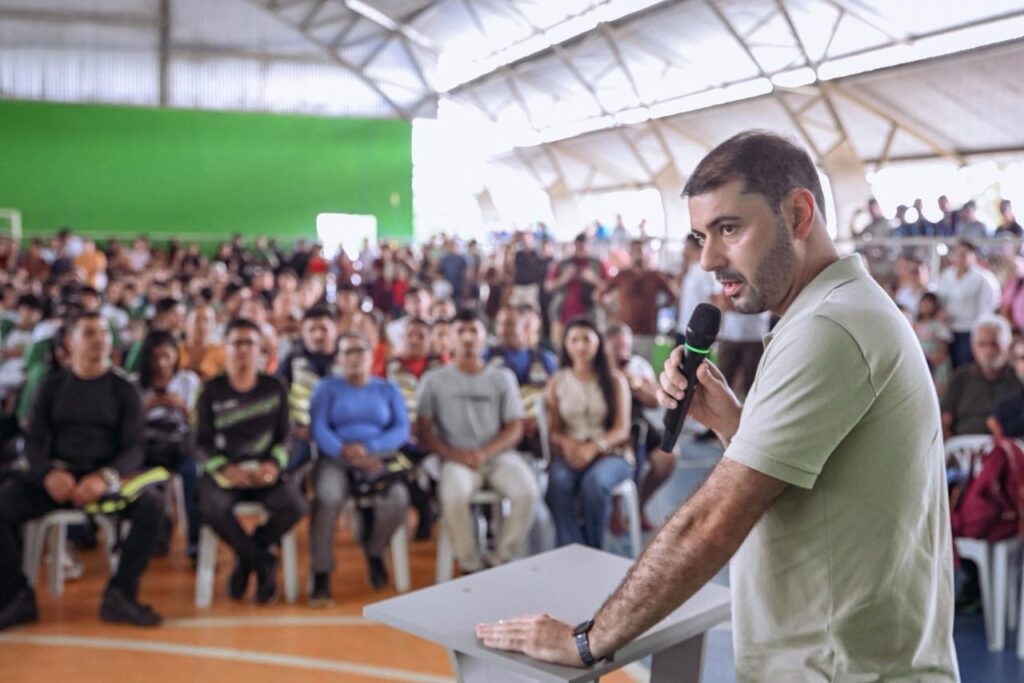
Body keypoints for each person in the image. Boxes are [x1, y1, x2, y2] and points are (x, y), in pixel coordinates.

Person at [477, 131, 958, 681]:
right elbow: (813, 485)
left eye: (729, 229)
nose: (709, 259)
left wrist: (587, 640)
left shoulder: (828, 327)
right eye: (701, 236)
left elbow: (711, 523)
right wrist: (734, 423)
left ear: (799, 215)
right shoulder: (836, 309)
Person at [0, 312, 165, 629]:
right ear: (69, 342)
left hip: (105, 481)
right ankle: (16, 596)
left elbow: (134, 448)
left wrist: (105, 477)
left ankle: (121, 595)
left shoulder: (124, 388)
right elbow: (32, 442)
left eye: (104, 333)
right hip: (59, 480)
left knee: (152, 506)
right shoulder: (52, 386)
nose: (100, 340)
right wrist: (48, 473)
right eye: (89, 333)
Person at [416, 309, 538, 574]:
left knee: (527, 491)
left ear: (485, 336)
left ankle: (500, 559)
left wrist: (485, 452)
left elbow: (515, 426)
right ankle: (469, 564)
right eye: (460, 331)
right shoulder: (433, 380)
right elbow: (423, 431)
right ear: (450, 338)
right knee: (453, 495)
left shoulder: (502, 377)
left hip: (498, 456)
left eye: (474, 331)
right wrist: (453, 453)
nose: (468, 338)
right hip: (455, 459)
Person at [195, 319, 307, 604]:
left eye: (250, 343)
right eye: (237, 343)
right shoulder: (210, 390)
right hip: (226, 472)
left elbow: (287, 436)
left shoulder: (275, 387)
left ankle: (247, 556)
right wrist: (224, 468)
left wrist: (273, 464)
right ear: (225, 348)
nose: (243, 349)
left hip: (264, 472)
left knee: (295, 505)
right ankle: (261, 560)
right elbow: (199, 442)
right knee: (210, 508)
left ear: (260, 350)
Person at [309, 332, 410, 602]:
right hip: (336, 458)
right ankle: (321, 571)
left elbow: (401, 429)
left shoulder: (387, 389)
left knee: (398, 498)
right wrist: (343, 451)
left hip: (377, 458)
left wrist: (370, 448)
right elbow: (319, 427)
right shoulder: (326, 388)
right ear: (339, 358)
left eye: (360, 351)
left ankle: (375, 549)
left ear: (371, 356)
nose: (354, 358)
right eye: (348, 352)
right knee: (327, 496)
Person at [545, 318, 632, 549]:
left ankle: (594, 549)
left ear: (598, 343)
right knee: (558, 482)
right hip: (572, 452)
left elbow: (622, 429)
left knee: (595, 483)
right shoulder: (557, 382)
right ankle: (572, 549)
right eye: (574, 340)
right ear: (565, 344)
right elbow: (554, 430)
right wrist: (567, 444)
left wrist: (593, 447)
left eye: (586, 339)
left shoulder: (615, 380)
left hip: (611, 453)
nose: (580, 346)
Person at [138, 330, 202, 557]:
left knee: (193, 475)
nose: (162, 363)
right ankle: (157, 534)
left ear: (176, 355)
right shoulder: (135, 384)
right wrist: (145, 409)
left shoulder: (188, 381)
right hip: (147, 447)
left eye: (167, 356)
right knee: (145, 481)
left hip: (180, 446)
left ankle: (195, 541)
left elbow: (200, 424)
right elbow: (127, 428)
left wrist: (183, 408)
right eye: (156, 357)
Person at [606, 324, 673, 532]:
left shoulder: (637, 366)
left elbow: (654, 401)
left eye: (625, 347)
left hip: (638, 424)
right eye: (616, 348)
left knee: (669, 456)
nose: (622, 353)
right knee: (625, 454)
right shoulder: (597, 366)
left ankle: (639, 505)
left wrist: (631, 382)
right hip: (609, 426)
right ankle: (615, 509)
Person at [276, 306, 339, 474]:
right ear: (303, 332)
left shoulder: (347, 360)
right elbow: (277, 400)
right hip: (299, 433)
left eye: (324, 329)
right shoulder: (291, 361)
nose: (318, 335)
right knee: (285, 470)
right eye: (312, 330)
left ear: (335, 329)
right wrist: (295, 427)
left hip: (340, 434)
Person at [940, 314, 1021, 438]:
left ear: (1008, 346)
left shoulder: (1018, 378)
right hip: (963, 445)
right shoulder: (960, 378)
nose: (988, 351)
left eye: (995, 344)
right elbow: (944, 422)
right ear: (973, 348)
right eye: (982, 345)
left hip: (1009, 445)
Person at [600, 240, 677, 360]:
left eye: (641, 251)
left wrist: (657, 309)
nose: (639, 255)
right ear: (630, 253)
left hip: (647, 331)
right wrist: (611, 314)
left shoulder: (654, 276)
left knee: (644, 364)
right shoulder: (623, 275)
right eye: (636, 251)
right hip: (625, 330)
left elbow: (673, 296)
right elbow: (601, 295)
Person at [936, 239, 1000, 368]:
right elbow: (940, 300)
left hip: (970, 330)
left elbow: (989, 306)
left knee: (966, 366)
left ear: (973, 255)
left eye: (963, 254)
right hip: (949, 330)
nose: (959, 257)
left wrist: (980, 329)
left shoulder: (983, 278)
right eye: (956, 253)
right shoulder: (946, 276)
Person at [914, 292, 953, 397]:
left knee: (938, 390)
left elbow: (943, 342)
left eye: (929, 304)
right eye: (924, 303)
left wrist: (939, 355)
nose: (925, 306)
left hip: (937, 361)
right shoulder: (915, 324)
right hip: (921, 361)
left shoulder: (938, 323)